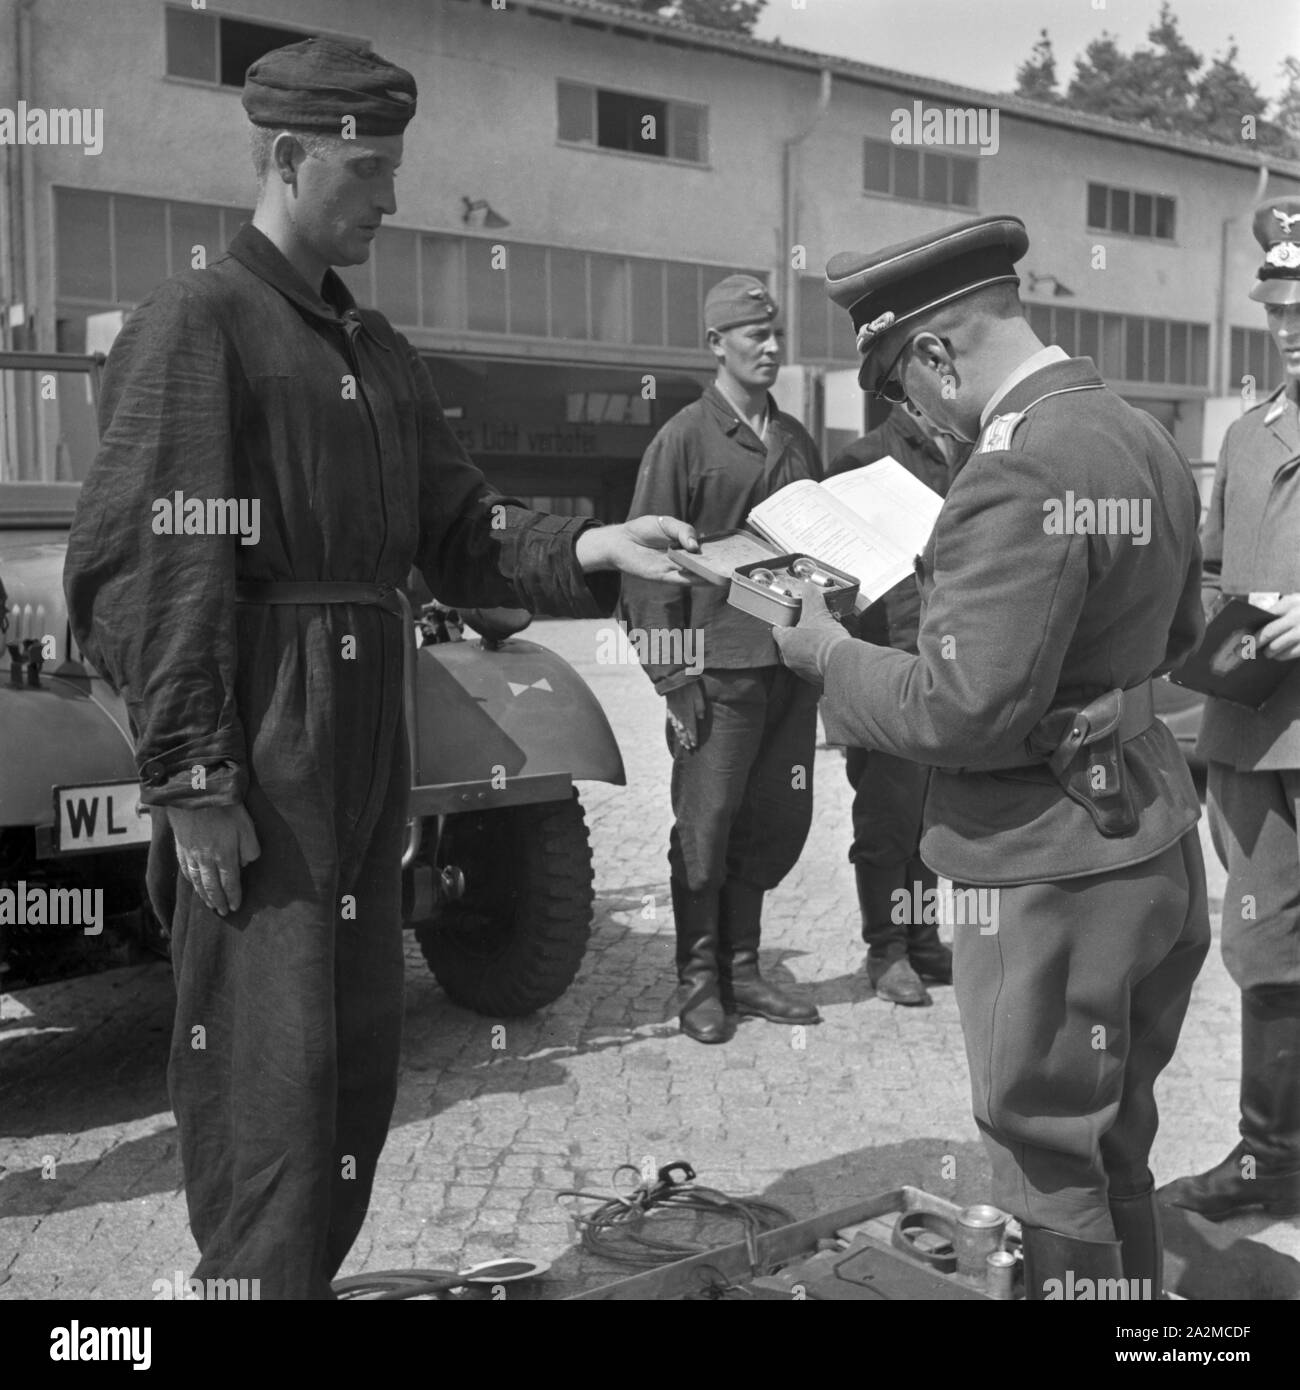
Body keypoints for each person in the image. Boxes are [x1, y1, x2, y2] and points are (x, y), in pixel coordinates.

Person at [62, 36, 697, 1300]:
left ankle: (290, 1277)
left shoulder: (373, 346)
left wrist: (597, 540)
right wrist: (191, 771)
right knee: (268, 1062)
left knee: (355, 1057)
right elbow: (145, 568)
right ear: (291, 160)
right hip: (268, 721)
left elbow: (463, 532)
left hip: (368, 719)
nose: (391, 198)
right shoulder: (201, 321)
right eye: (368, 169)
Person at [772, 214, 1209, 1298]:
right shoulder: (1136, 428)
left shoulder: (1014, 469)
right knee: (1115, 1142)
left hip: (1044, 862)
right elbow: (1179, 643)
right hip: (1142, 837)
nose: (909, 413)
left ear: (933, 353)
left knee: (1046, 1154)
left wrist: (823, 650)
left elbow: (957, 710)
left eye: (899, 386)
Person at [620, 276, 823, 1044]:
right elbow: (645, 565)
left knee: (772, 820)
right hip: (716, 670)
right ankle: (698, 980)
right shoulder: (682, 438)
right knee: (706, 826)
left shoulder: (797, 439)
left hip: (788, 664)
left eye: (775, 335)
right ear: (715, 344)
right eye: (753, 336)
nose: (770, 348)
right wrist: (672, 679)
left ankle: (743, 967)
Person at [1158, 196, 1300, 1222]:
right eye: (1279, 312)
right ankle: (1273, 1155)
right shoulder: (1249, 437)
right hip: (1254, 737)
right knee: (1266, 952)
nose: (1289, 331)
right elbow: (1208, 571)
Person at [829, 403, 969, 1005]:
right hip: (887, 667)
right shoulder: (864, 461)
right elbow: (833, 572)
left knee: (931, 815)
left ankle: (922, 938)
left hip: (950, 665)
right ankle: (885, 947)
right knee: (887, 819)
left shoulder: (968, 448)